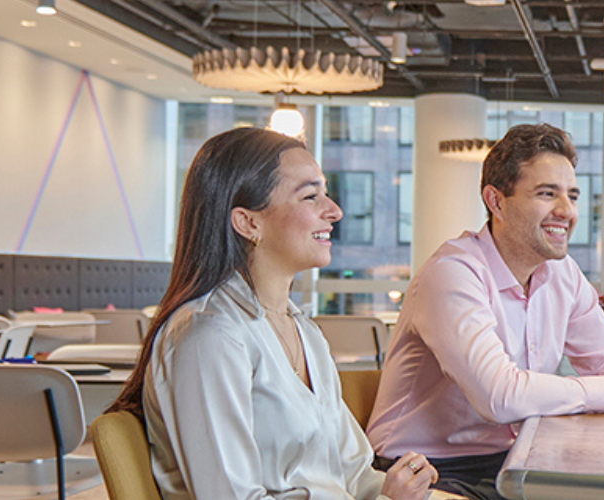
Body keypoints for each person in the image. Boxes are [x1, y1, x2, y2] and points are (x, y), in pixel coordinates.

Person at [106, 127, 439, 499]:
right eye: (310, 196)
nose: (335, 211)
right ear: (249, 223)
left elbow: (354, 475)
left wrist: (400, 487)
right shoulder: (210, 336)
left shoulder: (305, 332)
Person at [365, 123, 604, 500]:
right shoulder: (454, 273)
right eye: (547, 194)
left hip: (515, 458)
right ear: (496, 201)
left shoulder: (563, 273)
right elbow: (499, 395)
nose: (567, 211)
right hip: (424, 472)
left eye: (572, 196)